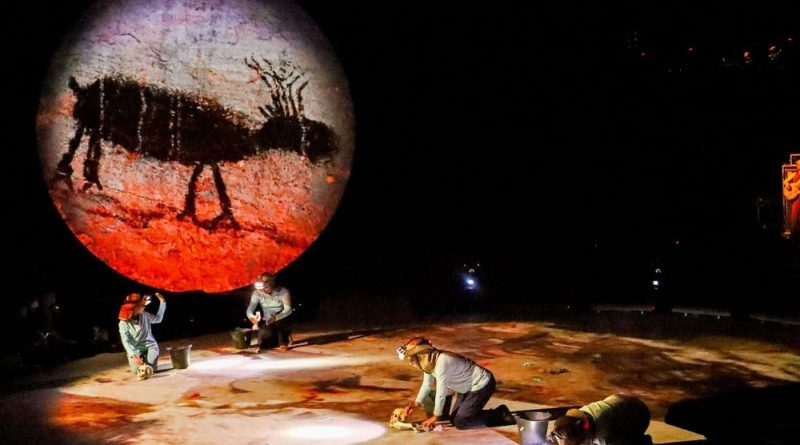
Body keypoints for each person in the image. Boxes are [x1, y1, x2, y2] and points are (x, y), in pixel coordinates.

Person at [398, 336, 514, 430]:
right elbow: (427, 384)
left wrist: (435, 416)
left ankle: (500, 413)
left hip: (482, 384)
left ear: (421, 355)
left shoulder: (442, 361)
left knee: (461, 422)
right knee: (454, 420)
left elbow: (441, 392)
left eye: (412, 358)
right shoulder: (430, 362)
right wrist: (417, 403)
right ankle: (473, 412)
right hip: (466, 388)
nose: (411, 362)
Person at [550, 394, 652, 445]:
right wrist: (556, 433)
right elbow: (568, 427)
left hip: (639, 417)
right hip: (624, 402)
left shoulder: (606, 436)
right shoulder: (581, 415)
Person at [118, 292, 166, 379]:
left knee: (150, 369)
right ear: (135, 309)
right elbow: (125, 341)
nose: (144, 307)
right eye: (141, 306)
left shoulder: (145, 315)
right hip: (136, 348)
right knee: (136, 370)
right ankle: (142, 358)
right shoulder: (123, 323)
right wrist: (133, 355)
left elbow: (158, 319)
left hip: (150, 345)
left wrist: (162, 302)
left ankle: (148, 359)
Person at [246, 273, 292, 352]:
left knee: (281, 325)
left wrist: (276, 317)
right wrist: (252, 317)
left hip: (282, 317)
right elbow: (250, 309)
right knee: (264, 344)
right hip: (268, 320)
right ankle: (277, 338)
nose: (264, 288)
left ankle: (284, 340)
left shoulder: (283, 291)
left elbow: (288, 309)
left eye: (266, 283)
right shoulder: (257, 293)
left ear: (272, 282)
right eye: (261, 283)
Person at [784, 160, 800, 240]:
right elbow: (785, 181)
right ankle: (794, 233)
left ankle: (795, 234)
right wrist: (787, 183)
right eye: (797, 164)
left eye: (799, 164)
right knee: (793, 214)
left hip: (799, 195)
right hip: (795, 196)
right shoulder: (795, 173)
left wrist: (790, 185)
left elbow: (798, 185)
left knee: (795, 214)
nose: (797, 166)